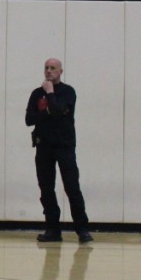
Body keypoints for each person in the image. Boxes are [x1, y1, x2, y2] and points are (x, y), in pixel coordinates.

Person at [25, 58, 92, 244]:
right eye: (46, 68)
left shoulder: (67, 92)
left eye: (53, 68)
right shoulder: (36, 94)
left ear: (60, 71)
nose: (48, 71)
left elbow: (58, 110)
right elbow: (29, 119)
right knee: (46, 189)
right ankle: (53, 230)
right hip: (44, 146)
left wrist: (50, 93)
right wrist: (46, 112)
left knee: (72, 187)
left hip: (64, 146)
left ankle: (82, 230)